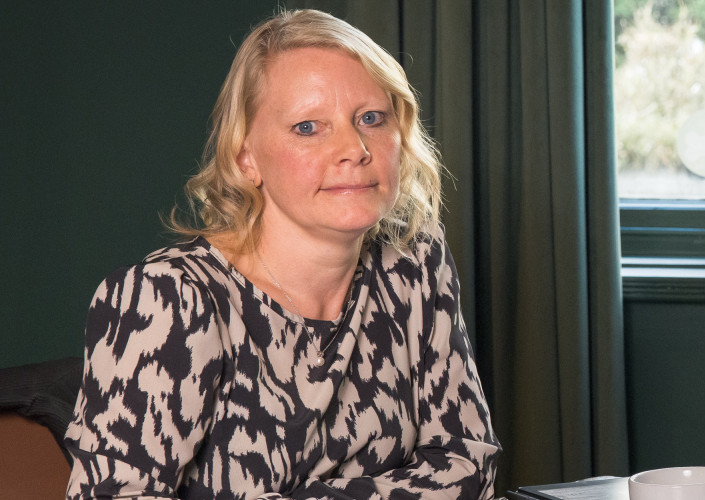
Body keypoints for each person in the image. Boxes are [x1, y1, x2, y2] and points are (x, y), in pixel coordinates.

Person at [65, 10, 498, 500]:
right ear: (245, 157)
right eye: (308, 127)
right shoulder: (165, 300)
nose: (354, 148)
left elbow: (468, 463)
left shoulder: (414, 262)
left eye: (371, 118)